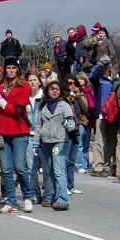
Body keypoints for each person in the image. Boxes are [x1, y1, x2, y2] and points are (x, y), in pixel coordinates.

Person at [0, 56, 32, 213]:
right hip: (3, 132)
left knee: (21, 167)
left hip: (19, 131)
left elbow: (18, 110)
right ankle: (12, 201)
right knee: (6, 169)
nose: (11, 70)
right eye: (8, 68)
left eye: (14, 68)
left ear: (18, 70)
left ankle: (27, 196)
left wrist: (1, 102)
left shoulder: (25, 87)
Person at [33, 81, 75, 210]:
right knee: (47, 171)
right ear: (47, 92)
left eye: (57, 89)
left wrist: (67, 125)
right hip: (45, 142)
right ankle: (48, 196)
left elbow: (71, 123)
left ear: (60, 91)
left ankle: (62, 199)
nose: (54, 91)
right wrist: (35, 141)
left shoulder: (64, 105)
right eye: (51, 89)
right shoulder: (43, 106)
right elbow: (38, 125)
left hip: (60, 141)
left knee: (58, 170)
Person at [89, 55, 116, 177]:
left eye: (107, 64)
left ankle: (106, 165)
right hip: (101, 113)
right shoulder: (98, 79)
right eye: (104, 65)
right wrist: (99, 64)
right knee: (99, 141)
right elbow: (91, 76)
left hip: (112, 114)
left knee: (110, 141)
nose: (106, 67)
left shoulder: (114, 79)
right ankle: (97, 166)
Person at [62, 74, 87, 195]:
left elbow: (85, 110)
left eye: (74, 83)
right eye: (70, 83)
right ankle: (64, 186)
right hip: (67, 131)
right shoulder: (63, 97)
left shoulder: (76, 96)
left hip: (77, 128)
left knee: (72, 160)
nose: (72, 86)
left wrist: (78, 96)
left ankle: (71, 185)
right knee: (65, 160)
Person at [25, 72, 44, 204]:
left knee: (48, 169)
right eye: (30, 80)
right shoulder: (24, 98)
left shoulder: (44, 98)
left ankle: (49, 194)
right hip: (28, 135)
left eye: (35, 80)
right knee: (30, 168)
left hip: (44, 136)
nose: (32, 82)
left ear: (39, 82)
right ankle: (34, 194)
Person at [75, 72, 95, 173]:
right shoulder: (77, 92)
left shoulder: (89, 91)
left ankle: (85, 164)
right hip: (81, 119)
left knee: (86, 145)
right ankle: (78, 165)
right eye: (78, 79)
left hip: (89, 119)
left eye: (82, 78)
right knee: (80, 144)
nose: (80, 80)